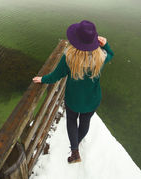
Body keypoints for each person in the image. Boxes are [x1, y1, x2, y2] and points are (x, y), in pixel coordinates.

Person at [32, 20, 114, 164]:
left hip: (73, 100)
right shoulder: (101, 57)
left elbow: (54, 77)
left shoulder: (69, 58)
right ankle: (77, 141)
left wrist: (42, 79)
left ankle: (75, 150)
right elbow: (111, 54)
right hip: (92, 100)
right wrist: (106, 44)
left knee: (71, 120)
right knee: (85, 121)